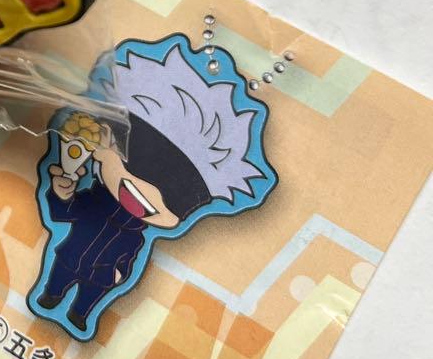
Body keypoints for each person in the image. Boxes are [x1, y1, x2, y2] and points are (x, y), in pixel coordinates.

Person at [32, 38, 275, 338]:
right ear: (106, 139)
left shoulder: (136, 233)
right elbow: (63, 213)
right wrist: (62, 193)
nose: (147, 191)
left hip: (101, 277)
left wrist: (120, 273)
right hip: (69, 255)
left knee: (89, 296)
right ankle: (51, 295)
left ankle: (80, 313)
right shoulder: (95, 199)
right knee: (59, 276)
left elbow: (131, 254)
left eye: (178, 195)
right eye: (138, 163)